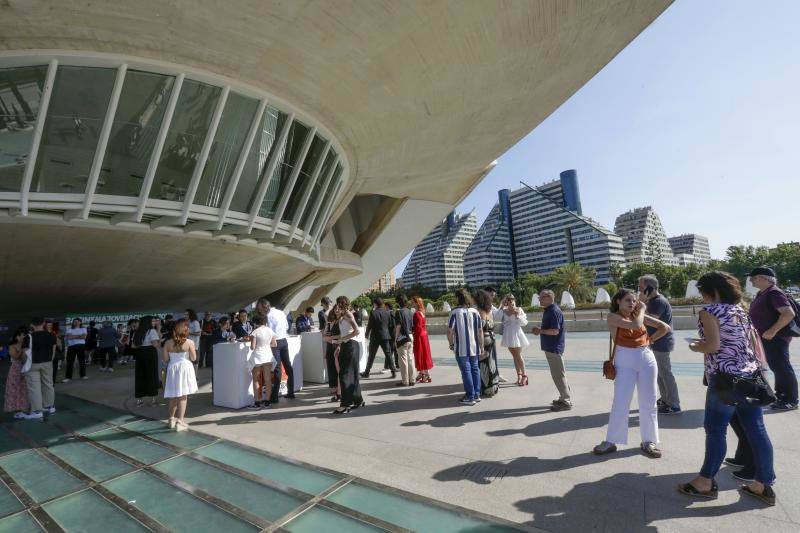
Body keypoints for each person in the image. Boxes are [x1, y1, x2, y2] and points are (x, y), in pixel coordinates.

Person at [678, 271, 776, 506]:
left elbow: (713, 346)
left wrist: (694, 346)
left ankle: (705, 482)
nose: (702, 297)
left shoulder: (709, 312)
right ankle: (763, 485)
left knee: (715, 430)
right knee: (757, 430)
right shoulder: (741, 311)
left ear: (712, 292)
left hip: (725, 380)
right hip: (750, 378)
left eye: (703, 292)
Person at [594, 289, 670, 458]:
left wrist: (650, 340)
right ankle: (611, 441)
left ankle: (649, 441)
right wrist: (642, 309)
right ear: (618, 301)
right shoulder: (613, 317)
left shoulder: (638, 315)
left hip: (646, 356)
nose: (632, 303)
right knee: (621, 400)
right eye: (628, 300)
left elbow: (665, 327)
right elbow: (636, 325)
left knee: (649, 400)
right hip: (624, 357)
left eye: (634, 301)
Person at [748, 266, 798, 410]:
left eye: (754, 278)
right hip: (768, 338)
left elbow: (788, 313)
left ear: (764, 278)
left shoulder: (774, 293)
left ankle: (791, 400)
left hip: (776, 338)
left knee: (782, 367)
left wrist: (772, 331)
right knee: (777, 367)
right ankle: (781, 396)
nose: (751, 281)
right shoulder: (762, 293)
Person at [638, 275, 680, 415]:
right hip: (655, 342)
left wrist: (641, 304)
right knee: (659, 374)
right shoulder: (653, 301)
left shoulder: (658, 302)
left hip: (661, 342)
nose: (639, 290)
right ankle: (666, 399)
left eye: (641, 287)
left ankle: (674, 404)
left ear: (649, 288)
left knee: (665, 373)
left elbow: (649, 320)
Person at [532, 289, 571, 411]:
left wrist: (540, 331)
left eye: (541, 297)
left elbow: (555, 331)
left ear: (549, 297)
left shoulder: (553, 311)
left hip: (554, 348)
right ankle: (563, 397)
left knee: (559, 375)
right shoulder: (550, 310)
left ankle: (566, 401)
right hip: (552, 347)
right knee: (558, 374)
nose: (539, 299)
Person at [448, 289, 483, 406]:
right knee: (475, 369)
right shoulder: (475, 311)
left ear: (457, 298)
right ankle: (477, 394)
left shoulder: (454, 312)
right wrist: (481, 346)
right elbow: (480, 330)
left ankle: (470, 396)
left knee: (466, 371)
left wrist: (451, 344)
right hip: (475, 346)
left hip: (461, 347)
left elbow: (449, 331)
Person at [162, 319, 198, 431]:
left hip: (173, 368)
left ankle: (171, 419)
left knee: (173, 396)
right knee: (183, 396)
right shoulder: (190, 342)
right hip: (185, 368)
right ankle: (180, 421)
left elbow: (165, 359)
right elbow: (193, 358)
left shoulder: (167, 343)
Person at [332, 296, 364, 414]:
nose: (336, 308)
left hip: (351, 346)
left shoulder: (348, 315)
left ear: (342, 304)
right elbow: (345, 332)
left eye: (338, 305)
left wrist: (342, 340)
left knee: (344, 375)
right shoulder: (342, 316)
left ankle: (345, 404)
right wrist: (340, 345)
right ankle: (358, 400)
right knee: (352, 375)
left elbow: (357, 331)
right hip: (346, 346)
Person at [21, 317, 57, 419]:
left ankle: (37, 411)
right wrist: (49, 361)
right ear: (44, 323)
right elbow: (53, 351)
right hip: (48, 363)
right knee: (48, 384)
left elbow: (25, 353)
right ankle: (50, 406)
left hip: (33, 364)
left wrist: (25, 364)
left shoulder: (28, 337)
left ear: (31, 325)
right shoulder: (51, 335)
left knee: (34, 387)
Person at [264, 301, 295, 402]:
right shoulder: (281, 313)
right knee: (288, 366)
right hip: (283, 340)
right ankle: (291, 392)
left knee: (277, 369)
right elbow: (287, 326)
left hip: (275, 342)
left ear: (265, 307)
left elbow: (269, 331)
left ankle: (275, 397)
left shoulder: (268, 316)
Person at [361, 297, 396, 378]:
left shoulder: (373, 313)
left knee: (371, 355)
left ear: (375, 304)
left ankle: (367, 372)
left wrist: (366, 335)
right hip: (385, 336)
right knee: (388, 354)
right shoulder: (387, 313)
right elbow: (390, 324)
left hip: (375, 337)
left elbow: (369, 326)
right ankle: (393, 371)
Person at [499, 293, 529, 386]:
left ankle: (524, 376)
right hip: (508, 334)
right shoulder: (503, 310)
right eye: (508, 299)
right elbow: (497, 316)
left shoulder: (519, 309)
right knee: (515, 356)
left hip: (516, 333)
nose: (510, 300)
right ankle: (519, 376)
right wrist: (502, 305)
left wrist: (517, 316)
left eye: (512, 299)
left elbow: (524, 323)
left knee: (518, 355)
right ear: (506, 301)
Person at [474, 290, 500, 398]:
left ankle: (486, 388)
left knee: (483, 364)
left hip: (483, 340)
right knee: (492, 362)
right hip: (492, 339)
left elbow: (479, 329)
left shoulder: (478, 312)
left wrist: (479, 346)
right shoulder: (489, 311)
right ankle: (494, 386)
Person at [248, 315, 277, 409]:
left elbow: (252, 347)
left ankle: (257, 403)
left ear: (256, 322)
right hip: (268, 356)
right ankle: (267, 402)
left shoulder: (255, 332)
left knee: (256, 380)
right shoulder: (270, 330)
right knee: (268, 380)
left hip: (258, 357)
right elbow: (274, 344)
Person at [132, 316, 162, 407]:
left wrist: (141, 343)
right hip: (150, 353)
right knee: (152, 375)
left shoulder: (137, 332)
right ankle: (153, 400)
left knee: (140, 375)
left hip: (140, 353)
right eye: (152, 321)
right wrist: (159, 334)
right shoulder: (151, 331)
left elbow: (133, 346)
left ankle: (139, 400)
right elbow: (156, 345)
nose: (154, 322)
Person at [4, 327, 30, 419]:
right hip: (16, 368)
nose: (21, 337)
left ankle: (25, 407)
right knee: (14, 388)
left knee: (24, 388)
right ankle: (15, 408)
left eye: (23, 335)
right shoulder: (12, 345)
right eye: (20, 335)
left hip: (27, 367)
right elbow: (14, 356)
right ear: (16, 336)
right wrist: (22, 349)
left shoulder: (28, 343)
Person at [393, 295, 416, 386]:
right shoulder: (410, 311)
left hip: (402, 338)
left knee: (403, 360)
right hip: (410, 337)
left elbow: (398, 326)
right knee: (410, 359)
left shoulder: (398, 312)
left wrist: (395, 339)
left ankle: (405, 381)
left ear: (398, 302)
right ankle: (412, 379)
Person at [411, 296, 434, 383]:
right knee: (424, 354)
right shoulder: (422, 312)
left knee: (420, 354)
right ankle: (422, 373)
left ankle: (426, 374)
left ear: (417, 303)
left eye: (413, 302)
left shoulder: (416, 314)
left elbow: (417, 328)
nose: (411, 303)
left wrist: (412, 333)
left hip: (419, 336)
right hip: (424, 335)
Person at [322, 308, 341, 402]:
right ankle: (333, 389)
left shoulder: (339, 322)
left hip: (337, 347)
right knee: (330, 368)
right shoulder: (329, 324)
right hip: (330, 347)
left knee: (338, 369)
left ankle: (339, 390)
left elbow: (341, 336)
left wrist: (331, 338)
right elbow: (324, 337)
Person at [64, 317, 88, 382]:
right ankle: (68, 377)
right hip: (71, 346)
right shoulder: (70, 329)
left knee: (82, 361)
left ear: (80, 322)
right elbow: (69, 337)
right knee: (70, 362)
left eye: (77, 321)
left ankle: (83, 375)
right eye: (74, 321)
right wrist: (79, 336)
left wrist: (73, 336)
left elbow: (84, 337)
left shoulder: (83, 328)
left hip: (81, 346)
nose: (76, 322)